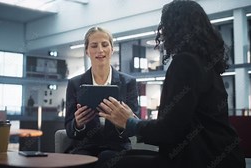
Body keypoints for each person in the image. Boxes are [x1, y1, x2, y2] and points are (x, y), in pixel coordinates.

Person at [99, 1, 246, 168]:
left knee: (106, 159)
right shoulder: (206, 65)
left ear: (174, 28)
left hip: (198, 158)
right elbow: (177, 123)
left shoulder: (185, 62)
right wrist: (134, 122)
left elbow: (168, 131)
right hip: (221, 157)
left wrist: (130, 123)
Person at [64, 27, 139, 166]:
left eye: (105, 44)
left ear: (112, 49)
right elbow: (69, 127)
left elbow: (134, 126)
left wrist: (122, 122)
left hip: (117, 147)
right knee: (83, 160)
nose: (100, 50)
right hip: (85, 147)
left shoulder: (129, 82)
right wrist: (78, 124)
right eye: (94, 45)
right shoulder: (74, 84)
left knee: (108, 157)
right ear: (87, 51)